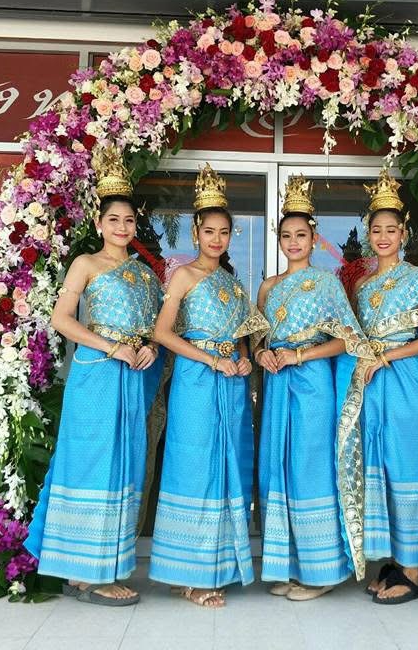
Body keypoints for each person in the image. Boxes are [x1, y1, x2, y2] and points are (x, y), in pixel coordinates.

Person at [25, 145, 164, 606]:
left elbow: (156, 329)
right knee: (91, 463)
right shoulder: (85, 264)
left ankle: (108, 568)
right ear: (99, 223)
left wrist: (149, 348)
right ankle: (83, 574)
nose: (122, 227)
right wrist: (112, 347)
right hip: (97, 375)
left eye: (129, 221)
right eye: (114, 220)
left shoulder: (146, 275)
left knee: (125, 465)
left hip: (132, 378)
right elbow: (61, 319)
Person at [149, 163, 269, 608]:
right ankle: (191, 574)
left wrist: (242, 357)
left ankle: (219, 565)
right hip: (197, 380)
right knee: (195, 465)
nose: (216, 239)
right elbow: (163, 333)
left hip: (231, 383)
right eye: (209, 231)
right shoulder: (182, 275)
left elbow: (244, 336)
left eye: (224, 232)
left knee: (227, 466)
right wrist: (211, 359)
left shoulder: (233, 284)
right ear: (195, 232)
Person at [254, 175, 374, 601]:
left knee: (309, 467)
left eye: (301, 235)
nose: (293, 242)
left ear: (314, 238)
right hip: (277, 383)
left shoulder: (327, 283)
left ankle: (322, 572)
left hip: (312, 382)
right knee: (277, 465)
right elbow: (259, 339)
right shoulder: (268, 287)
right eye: (286, 235)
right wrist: (262, 355)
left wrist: (300, 355)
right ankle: (288, 566)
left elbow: (348, 340)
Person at [340, 167, 418, 605]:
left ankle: (412, 570)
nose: (384, 236)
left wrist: (385, 356)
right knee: (378, 466)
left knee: (407, 467)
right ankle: (391, 559)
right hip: (370, 386)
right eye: (376, 230)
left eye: (391, 229)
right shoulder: (362, 285)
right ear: (368, 236)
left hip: (403, 382)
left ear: (403, 234)